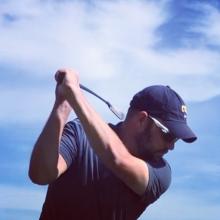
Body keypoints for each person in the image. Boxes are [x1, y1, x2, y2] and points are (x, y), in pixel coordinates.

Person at [29, 68, 197, 220]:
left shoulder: (161, 172)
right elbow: (41, 175)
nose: (171, 146)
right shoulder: (80, 133)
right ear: (142, 120)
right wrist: (62, 105)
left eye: (176, 139)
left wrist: (75, 94)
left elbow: (118, 159)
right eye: (168, 136)